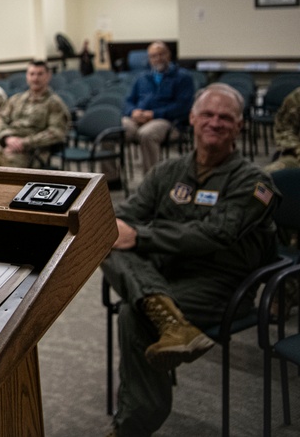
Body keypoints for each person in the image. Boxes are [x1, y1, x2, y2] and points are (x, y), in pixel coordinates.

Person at [101, 83, 278, 437]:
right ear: (193, 119)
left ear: (239, 126)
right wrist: (112, 226)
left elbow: (217, 234)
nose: (215, 122)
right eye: (207, 115)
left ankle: (132, 426)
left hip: (221, 285)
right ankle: (164, 314)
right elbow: (131, 212)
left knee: (133, 315)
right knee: (103, 239)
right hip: (166, 273)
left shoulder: (256, 182)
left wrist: (143, 236)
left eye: (225, 117)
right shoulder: (168, 171)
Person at [0, 60, 70, 167]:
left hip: (29, 150)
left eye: (40, 74)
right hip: (5, 143)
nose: (35, 78)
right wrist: (7, 138)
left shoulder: (54, 104)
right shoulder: (16, 99)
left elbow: (56, 133)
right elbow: (0, 120)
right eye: (32, 74)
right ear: (27, 76)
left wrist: (23, 143)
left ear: (48, 76)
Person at [118, 42, 195, 177]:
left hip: (168, 121)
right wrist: (133, 112)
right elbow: (129, 101)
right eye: (153, 56)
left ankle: (151, 180)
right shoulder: (143, 77)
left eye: (161, 54)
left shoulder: (183, 77)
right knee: (113, 129)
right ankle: (111, 179)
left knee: (147, 134)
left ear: (168, 55)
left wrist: (154, 114)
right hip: (140, 118)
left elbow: (183, 107)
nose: (157, 59)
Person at [265, 85, 300, 173]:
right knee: (263, 180)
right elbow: (284, 128)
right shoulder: (297, 97)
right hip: (297, 156)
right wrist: (296, 148)